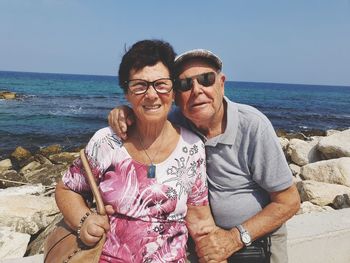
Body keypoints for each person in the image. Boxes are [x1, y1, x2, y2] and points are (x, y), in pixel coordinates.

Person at [108, 49, 301, 262]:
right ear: (175, 96)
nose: (197, 90)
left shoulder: (253, 126)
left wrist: (235, 238)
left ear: (221, 83)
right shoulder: (175, 123)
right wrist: (126, 113)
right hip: (201, 240)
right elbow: (149, 113)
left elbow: (289, 200)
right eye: (185, 84)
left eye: (206, 79)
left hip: (254, 241)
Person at [55, 40, 220, 262]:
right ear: (127, 93)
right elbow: (67, 188)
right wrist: (84, 219)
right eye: (139, 86)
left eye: (161, 84)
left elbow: (200, 222)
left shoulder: (192, 148)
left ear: (173, 90)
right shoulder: (107, 141)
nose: (151, 95)